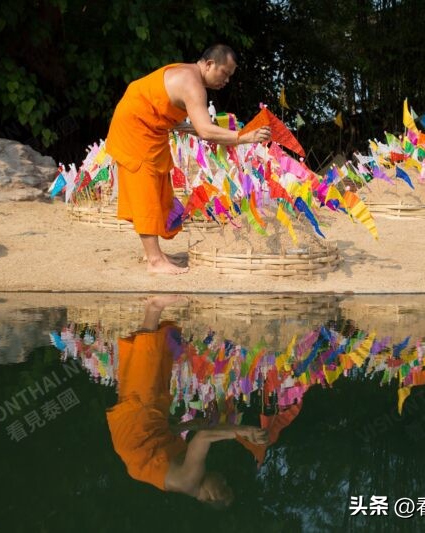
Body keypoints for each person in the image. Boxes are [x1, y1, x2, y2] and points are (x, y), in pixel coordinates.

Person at [105, 45, 272, 275]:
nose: (226, 80)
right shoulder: (193, 84)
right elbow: (206, 130)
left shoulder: (189, 75)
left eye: (230, 76)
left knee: (159, 185)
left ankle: (153, 251)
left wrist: (184, 126)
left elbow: (159, 104)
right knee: (145, 189)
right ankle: (154, 260)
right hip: (135, 130)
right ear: (209, 64)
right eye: (224, 73)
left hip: (150, 127)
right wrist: (246, 137)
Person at [106, 296, 268, 506]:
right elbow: (173, 436)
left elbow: (203, 438)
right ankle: (152, 310)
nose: (224, 480)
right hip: (142, 433)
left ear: (210, 496)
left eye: (224, 487)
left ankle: (154, 306)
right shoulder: (185, 479)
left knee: (148, 364)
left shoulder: (190, 481)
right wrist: (189, 425)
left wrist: (245, 431)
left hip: (139, 429)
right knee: (154, 366)